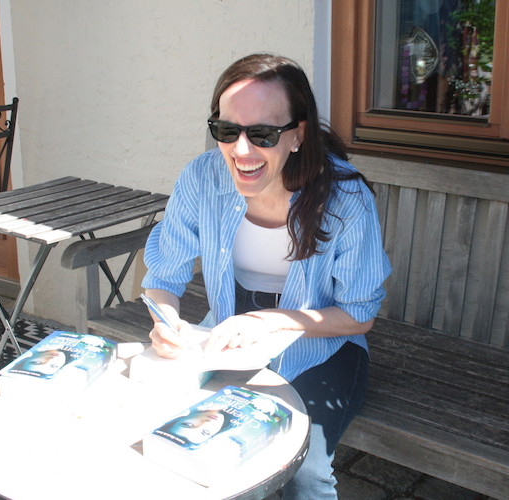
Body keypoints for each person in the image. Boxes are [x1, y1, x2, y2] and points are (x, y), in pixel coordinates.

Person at [142, 53, 391, 498]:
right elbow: (165, 273)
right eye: (226, 131)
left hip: (323, 344)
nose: (241, 150)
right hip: (228, 335)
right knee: (180, 441)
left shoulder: (345, 197)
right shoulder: (202, 177)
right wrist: (167, 321)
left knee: (305, 470)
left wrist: (271, 321)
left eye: (262, 134)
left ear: (297, 135)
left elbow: (359, 315)